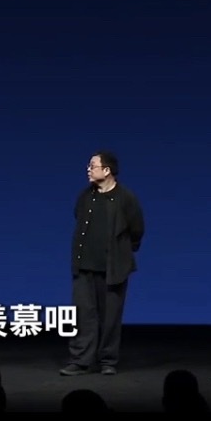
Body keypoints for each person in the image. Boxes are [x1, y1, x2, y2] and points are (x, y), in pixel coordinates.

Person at [60, 150, 145, 376]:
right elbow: (78, 217)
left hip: (113, 268)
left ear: (107, 170)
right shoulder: (85, 196)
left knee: (110, 316)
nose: (88, 170)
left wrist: (123, 252)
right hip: (84, 266)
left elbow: (137, 229)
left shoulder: (126, 198)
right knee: (82, 315)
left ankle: (107, 360)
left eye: (92, 166)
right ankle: (80, 360)